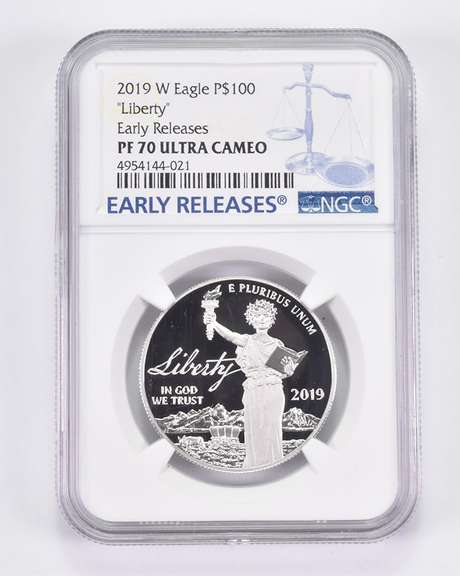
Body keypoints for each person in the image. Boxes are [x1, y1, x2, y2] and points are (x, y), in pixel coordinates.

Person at [203, 299, 291, 469]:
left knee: (272, 427)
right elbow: (230, 335)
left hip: (273, 390)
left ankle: (274, 464)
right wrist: (214, 323)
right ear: (251, 318)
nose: (262, 318)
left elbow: (284, 372)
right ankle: (255, 465)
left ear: (271, 319)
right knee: (255, 427)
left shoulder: (277, 344)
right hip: (253, 389)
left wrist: (289, 370)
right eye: (257, 315)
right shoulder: (247, 340)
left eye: (265, 315)